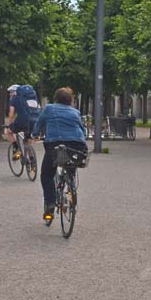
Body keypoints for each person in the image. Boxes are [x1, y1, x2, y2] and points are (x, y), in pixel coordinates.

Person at [32, 87, 88, 225]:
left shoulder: (49, 108)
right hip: (77, 146)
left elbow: (38, 124)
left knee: (46, 175)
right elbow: (82, 130)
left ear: (55, 98)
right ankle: (70, 189)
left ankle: (50, 203)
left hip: (55, 145)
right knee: (70, 165)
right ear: (71, 100)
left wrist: (34, 134)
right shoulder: (76, 112)